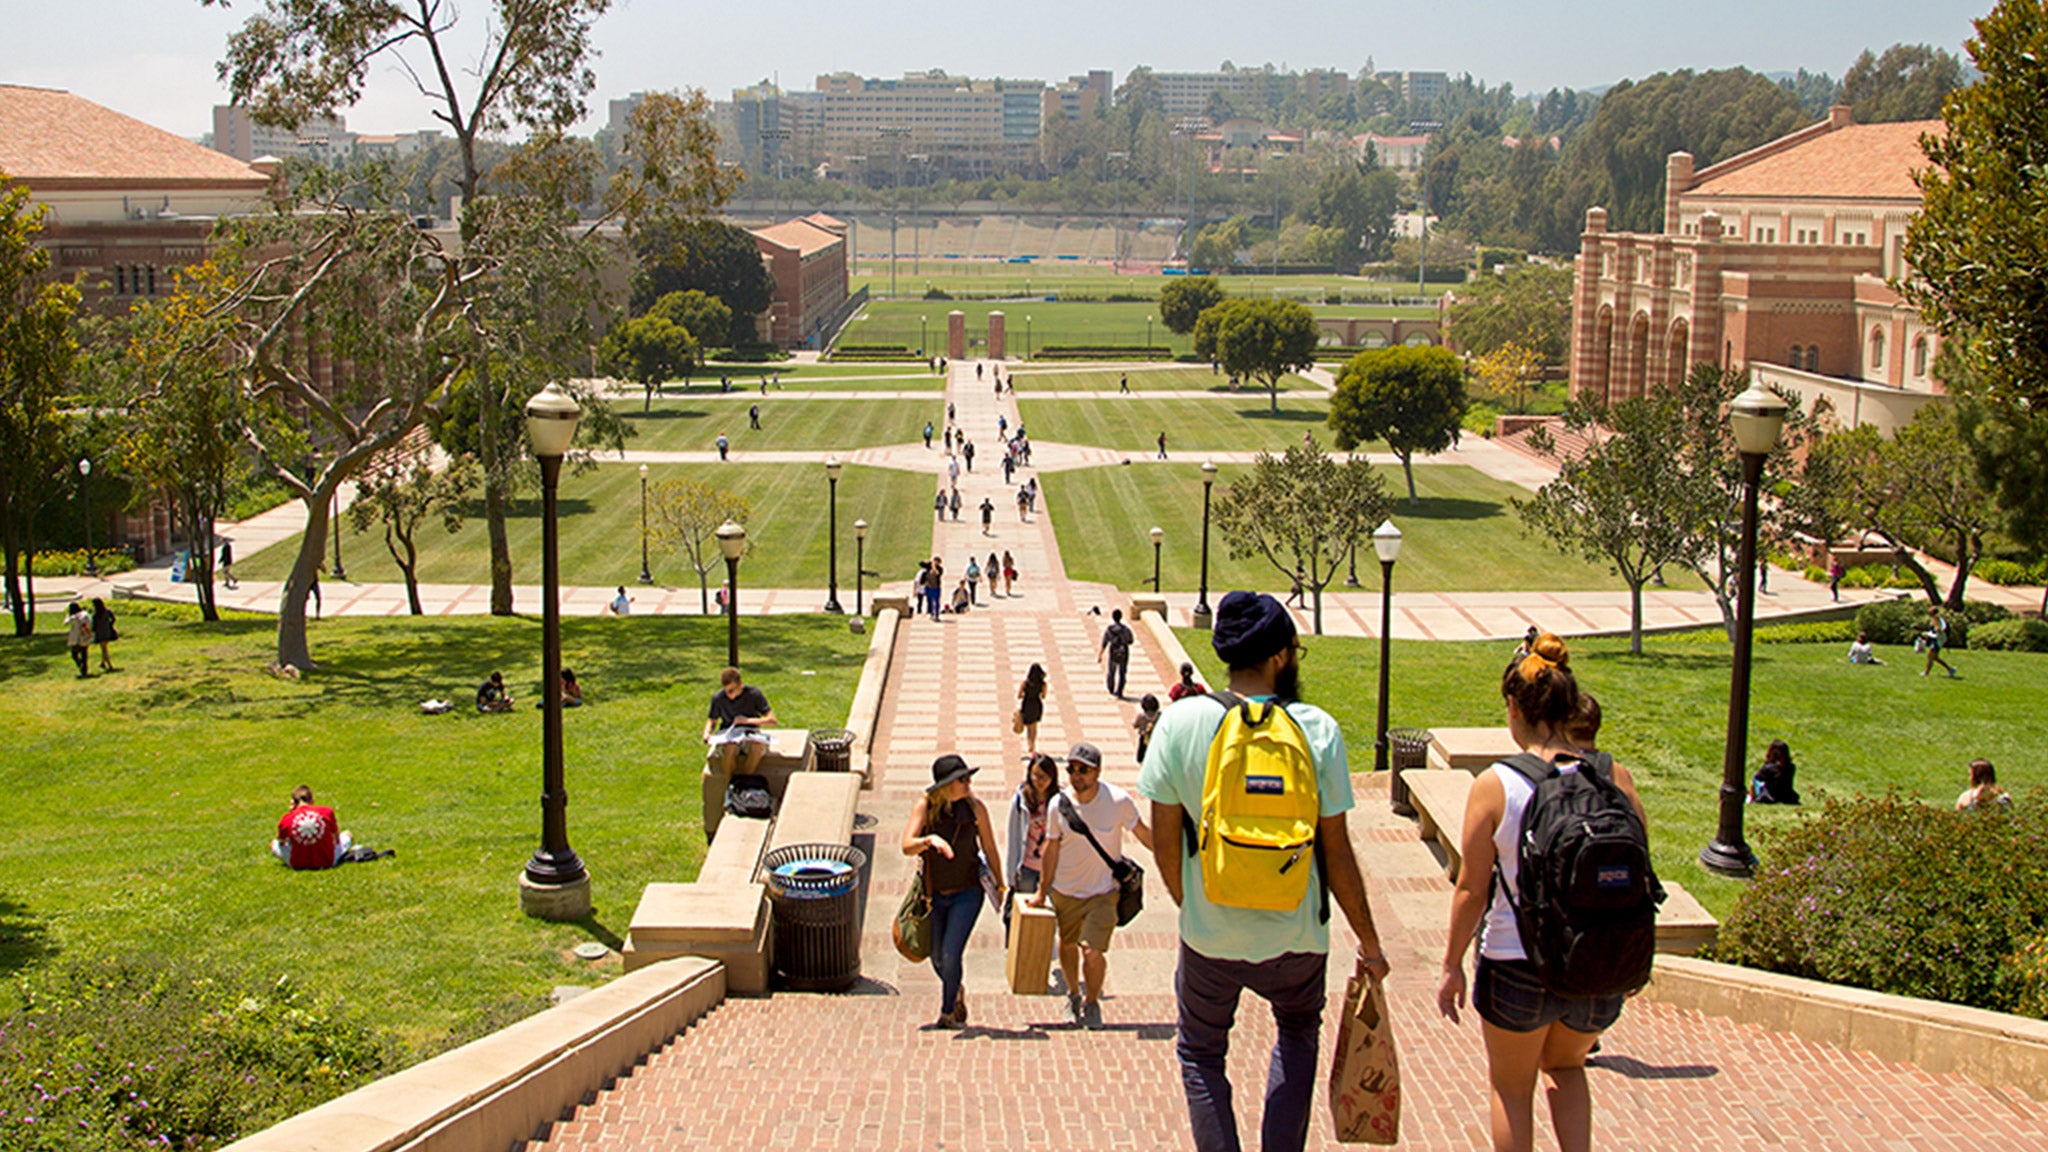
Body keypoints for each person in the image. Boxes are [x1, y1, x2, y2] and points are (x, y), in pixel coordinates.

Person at [1137, 589, 1388, 1152]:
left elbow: (1163, 843)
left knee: (1201, 1054)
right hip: (1297, 932)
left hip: (1210, 935)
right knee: (1297, 1035)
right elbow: (1338, 852)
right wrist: (1369, 942)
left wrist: (1194, 903)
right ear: (1279, 656)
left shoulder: (1180, 723)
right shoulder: (1316, 729)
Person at [1438, 633, 1646, 1152]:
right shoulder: (1612, 774)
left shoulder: (1496, 783)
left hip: (1516, 962)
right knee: (1569, 1068)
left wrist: (1451, 965)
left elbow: (1471, 889)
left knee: (1511, 1089)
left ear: (1514, 707)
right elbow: (1640, 869)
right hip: (1597, 962)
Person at [1030, 742, 1152, 1029]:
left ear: (1098, 771)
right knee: (1069, 948)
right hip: (1065, 891)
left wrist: (1174, 856)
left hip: (1103, 893)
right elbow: (1051, 848)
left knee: (1093, 952)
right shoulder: (1058, 805)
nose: (1076, 776)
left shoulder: (1118, 801)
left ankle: (1092, 1001)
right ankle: (1073, 994)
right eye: (1071, 769)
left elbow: (1143, 833)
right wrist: (1041, 891)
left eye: (1083, 770)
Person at [903, 754, 1003, 1029]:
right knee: (936, 956)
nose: (968, 783)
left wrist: (1001, 884)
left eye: (969, 778)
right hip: (934, 894)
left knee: (950, 953)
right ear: (947, 784)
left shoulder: (975, 808)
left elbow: (990, 848)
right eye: (962, 779)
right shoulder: (925, 805)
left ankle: (947, 1013)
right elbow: (906, 844)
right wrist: (928, 840)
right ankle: (955, 988)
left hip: (968, 892)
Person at [1005, 752, 1061, 935]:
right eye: (1035, 775)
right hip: (1027, 868)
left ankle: (1043, 957)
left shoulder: (1059, 801)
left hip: (1051, 869)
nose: (1039, 780)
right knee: (1026, 919)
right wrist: (1011, 875)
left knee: (1049, 920)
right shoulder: (1021, 799)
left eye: (1044, 777)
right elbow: (1014, 837)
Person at [705, 666, 778, 777]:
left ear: (740, 685)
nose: (729, 695)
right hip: (729, 734)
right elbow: (712, 720)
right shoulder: (718, 698)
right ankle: (731, 782)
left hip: (750, 732)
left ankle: (745, 780)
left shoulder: (754, 694)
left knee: (756, 746)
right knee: (730, 748)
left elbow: (772, 720)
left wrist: (747, 721)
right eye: (726, 691)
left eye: (731, 691)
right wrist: (707, 733)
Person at [272, 785, 354, 870]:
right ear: (312, 800)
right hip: (327, 861)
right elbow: (337, 840)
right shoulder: (327, 812)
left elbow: (281, 841)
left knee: (274, 844)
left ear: (293, 802)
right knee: (347, 834)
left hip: (297, 863)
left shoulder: (287, 819)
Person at [1750, 739, 1800, 805]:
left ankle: (1752, 798)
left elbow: (1757, 778)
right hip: (1787, 796)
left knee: (1754, 780)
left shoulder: (1768, 768)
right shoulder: (1791, 767)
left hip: (1770, 796)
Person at [1099, 607, 1134, 698]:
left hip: (1113, 651)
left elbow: (1104, 642)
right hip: (1123, 652)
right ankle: (1119, 691)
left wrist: (1100, 655)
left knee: (1111, 671)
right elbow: (1130, 641)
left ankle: (1111, 688)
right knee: (1122, 672)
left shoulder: (1109, 630)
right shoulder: (1126, 630)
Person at [1017, 663, 1049, 755]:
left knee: (1028, 727)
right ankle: (1033, 744)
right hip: (1036, 704)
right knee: (1034, 727)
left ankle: (1030, 745)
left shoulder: (1025, 683)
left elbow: (1019, 695)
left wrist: (1026, 694)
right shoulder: (1043, 684)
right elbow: (1043, 696)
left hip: (1027, 704)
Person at [1921, 605, 1958, 678]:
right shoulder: (1937, 619)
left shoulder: (1936, 620)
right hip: (1937, 640)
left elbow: (1938, 630)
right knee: (1933, 657)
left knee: (1931, 656)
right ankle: (1950, 669)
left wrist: (1928, 634)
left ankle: (1926, 672)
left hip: (1937, 640)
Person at [64, 600, 92, 678]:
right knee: (84, 653)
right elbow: (89, 622)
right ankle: (84, 669)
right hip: (84, 636)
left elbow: (65, 623)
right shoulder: (85, 614)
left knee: (74, 653)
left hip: (75, 637)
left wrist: (68, 615)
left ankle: (80, 664)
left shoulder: (73, 617)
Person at [90, 597, 117, 672]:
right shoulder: (107, 611)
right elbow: (113, 619)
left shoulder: (96, 615)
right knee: (104, 648)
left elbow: (94, 626)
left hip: (100, 633)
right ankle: (103, 662)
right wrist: (110, 625)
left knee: (104, 650)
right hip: (107, 631)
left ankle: (109, 664)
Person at [1133, 693, 1160, 762]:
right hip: (1156, 737)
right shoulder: (1159, 715)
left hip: (1144, 736)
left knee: (1141, 755)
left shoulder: (1141, 716)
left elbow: (1135, 725)